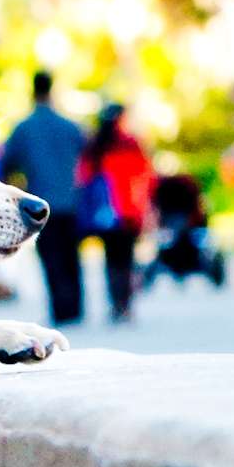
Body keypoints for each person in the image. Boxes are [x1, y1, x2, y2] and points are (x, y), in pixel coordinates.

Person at [0, 69, 87, 326]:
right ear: (52, 90)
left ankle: (60, 308)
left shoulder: (23, 128)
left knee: (51, 258)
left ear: (32, 91)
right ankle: (75, 307)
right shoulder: (71, 127)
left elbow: (8, 164)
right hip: (71, 201)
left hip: (41, 204)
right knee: (72, 256)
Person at [77, 103, 154, 323]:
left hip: (105, 215)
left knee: (111, 260)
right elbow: (145, 175)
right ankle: (125, 305)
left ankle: (116, 304)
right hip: (128, 211)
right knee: (126, 259)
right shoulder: (130, 143)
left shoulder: (95, 147)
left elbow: (83, 177)